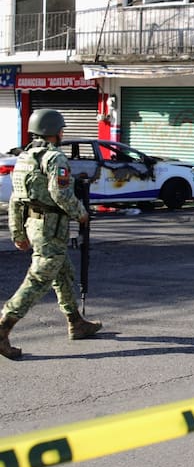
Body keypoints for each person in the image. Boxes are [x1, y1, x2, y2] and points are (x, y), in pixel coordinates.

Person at [0, 109, 102, 360]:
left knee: (63, 273)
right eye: (62, 129)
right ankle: (3, 328)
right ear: (55, 132)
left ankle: (76, 322)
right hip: (51, 229)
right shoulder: (55, 158)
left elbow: (16, 199)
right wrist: (81, 213)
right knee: (39, 279)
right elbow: (61, 194)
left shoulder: (25, 157)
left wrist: (17, 232)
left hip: (34, 226)